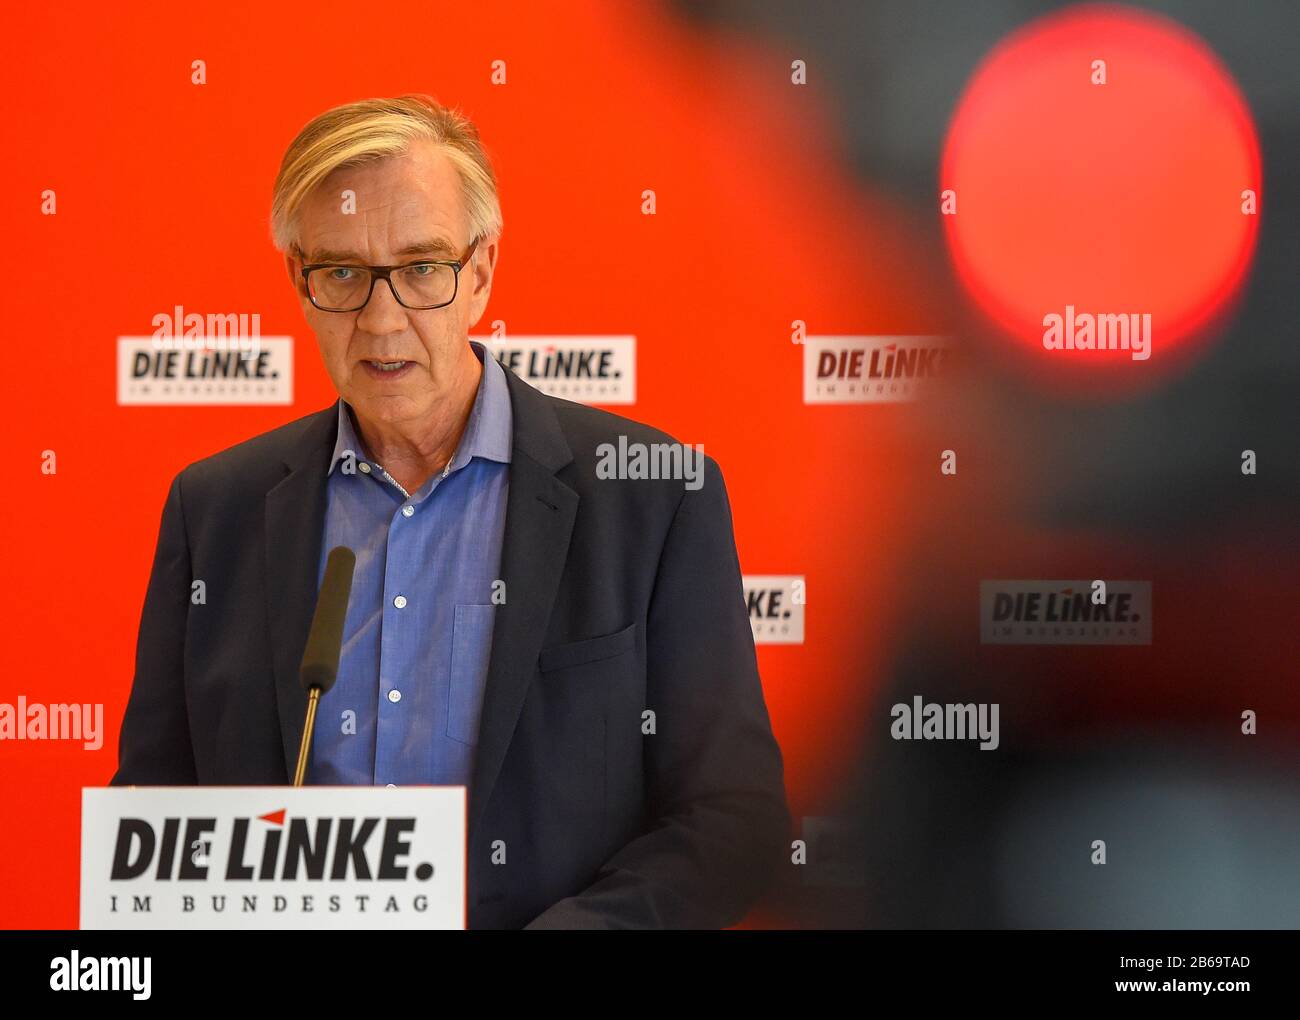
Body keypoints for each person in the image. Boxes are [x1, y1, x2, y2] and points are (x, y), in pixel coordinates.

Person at [111, 94, 790, 929]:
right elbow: (155, 802)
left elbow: (732, 817)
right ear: (299, 278)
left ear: (481, 272)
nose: (382, 319)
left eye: (422, 268)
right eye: (343, 274)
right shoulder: (213, 508)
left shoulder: (652, 495)